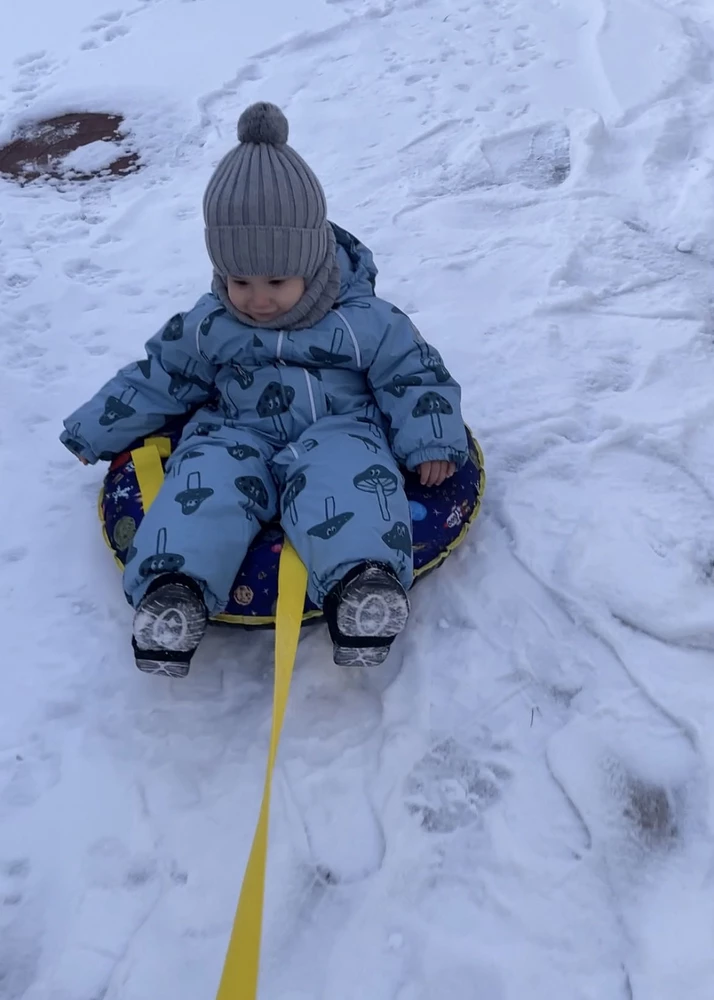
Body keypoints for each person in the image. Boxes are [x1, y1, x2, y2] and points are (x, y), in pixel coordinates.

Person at [60, 102, 469, 677]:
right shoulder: (211, 322)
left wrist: (430, 440)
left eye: (276, 280)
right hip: (237, 431)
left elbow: (414, 375)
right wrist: (94, 427)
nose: (256, 298)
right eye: (239, 280)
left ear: (313, 261)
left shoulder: (366, 320)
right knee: (202, 485)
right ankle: (174, 595)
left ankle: (362, 588)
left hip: (338, 429)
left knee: (350, 481)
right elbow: (161, 374)